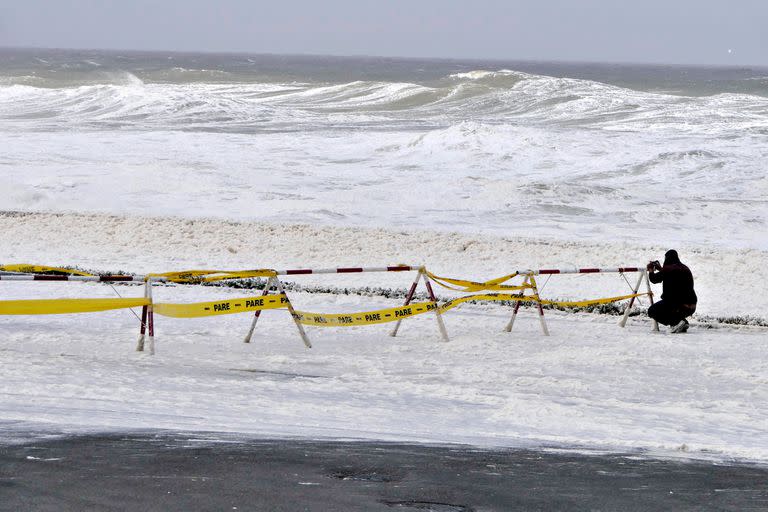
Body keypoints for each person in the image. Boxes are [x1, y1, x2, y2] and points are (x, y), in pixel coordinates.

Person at [646, 250, 697, 333]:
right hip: (691, 306)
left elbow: (654, 279)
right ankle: (682, 323)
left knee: (652, 311)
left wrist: (651, 270)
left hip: (677, 305)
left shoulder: (667, 269)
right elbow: (671, 275)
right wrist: (661, 269)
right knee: (670, 306)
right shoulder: (685, 267)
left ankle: (676, 323)